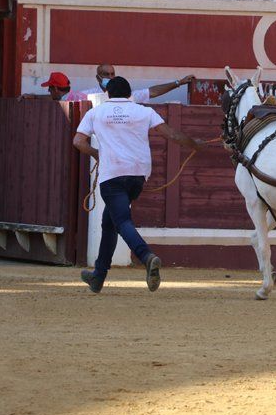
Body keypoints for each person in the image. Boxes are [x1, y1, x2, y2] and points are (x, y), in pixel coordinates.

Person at [73, 76, 205, 294]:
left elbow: (78, 141)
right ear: (128, 94)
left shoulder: (96, 113)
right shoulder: (143, 111)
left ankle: (146, 256)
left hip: (112, 174)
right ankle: (98, 276)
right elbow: (171, 134)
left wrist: (98, 154)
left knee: (122, 220)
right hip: (137, 176)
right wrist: (194, 144)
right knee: (110, 222)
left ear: (108, 94)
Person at [77, 63, 196, 106]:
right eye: (106, 74)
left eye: (112, 74)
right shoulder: (87, 95)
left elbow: (153, 92)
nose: (110, 77)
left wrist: (178, 83)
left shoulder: (126, 94)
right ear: (98, 78)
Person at [19, 71, 86, 101]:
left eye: (50, 88)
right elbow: (51, 98)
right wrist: (34, 96)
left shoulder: (66, 101)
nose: (48, 90)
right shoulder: (70, 96)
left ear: (56, 88)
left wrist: (34, 97)